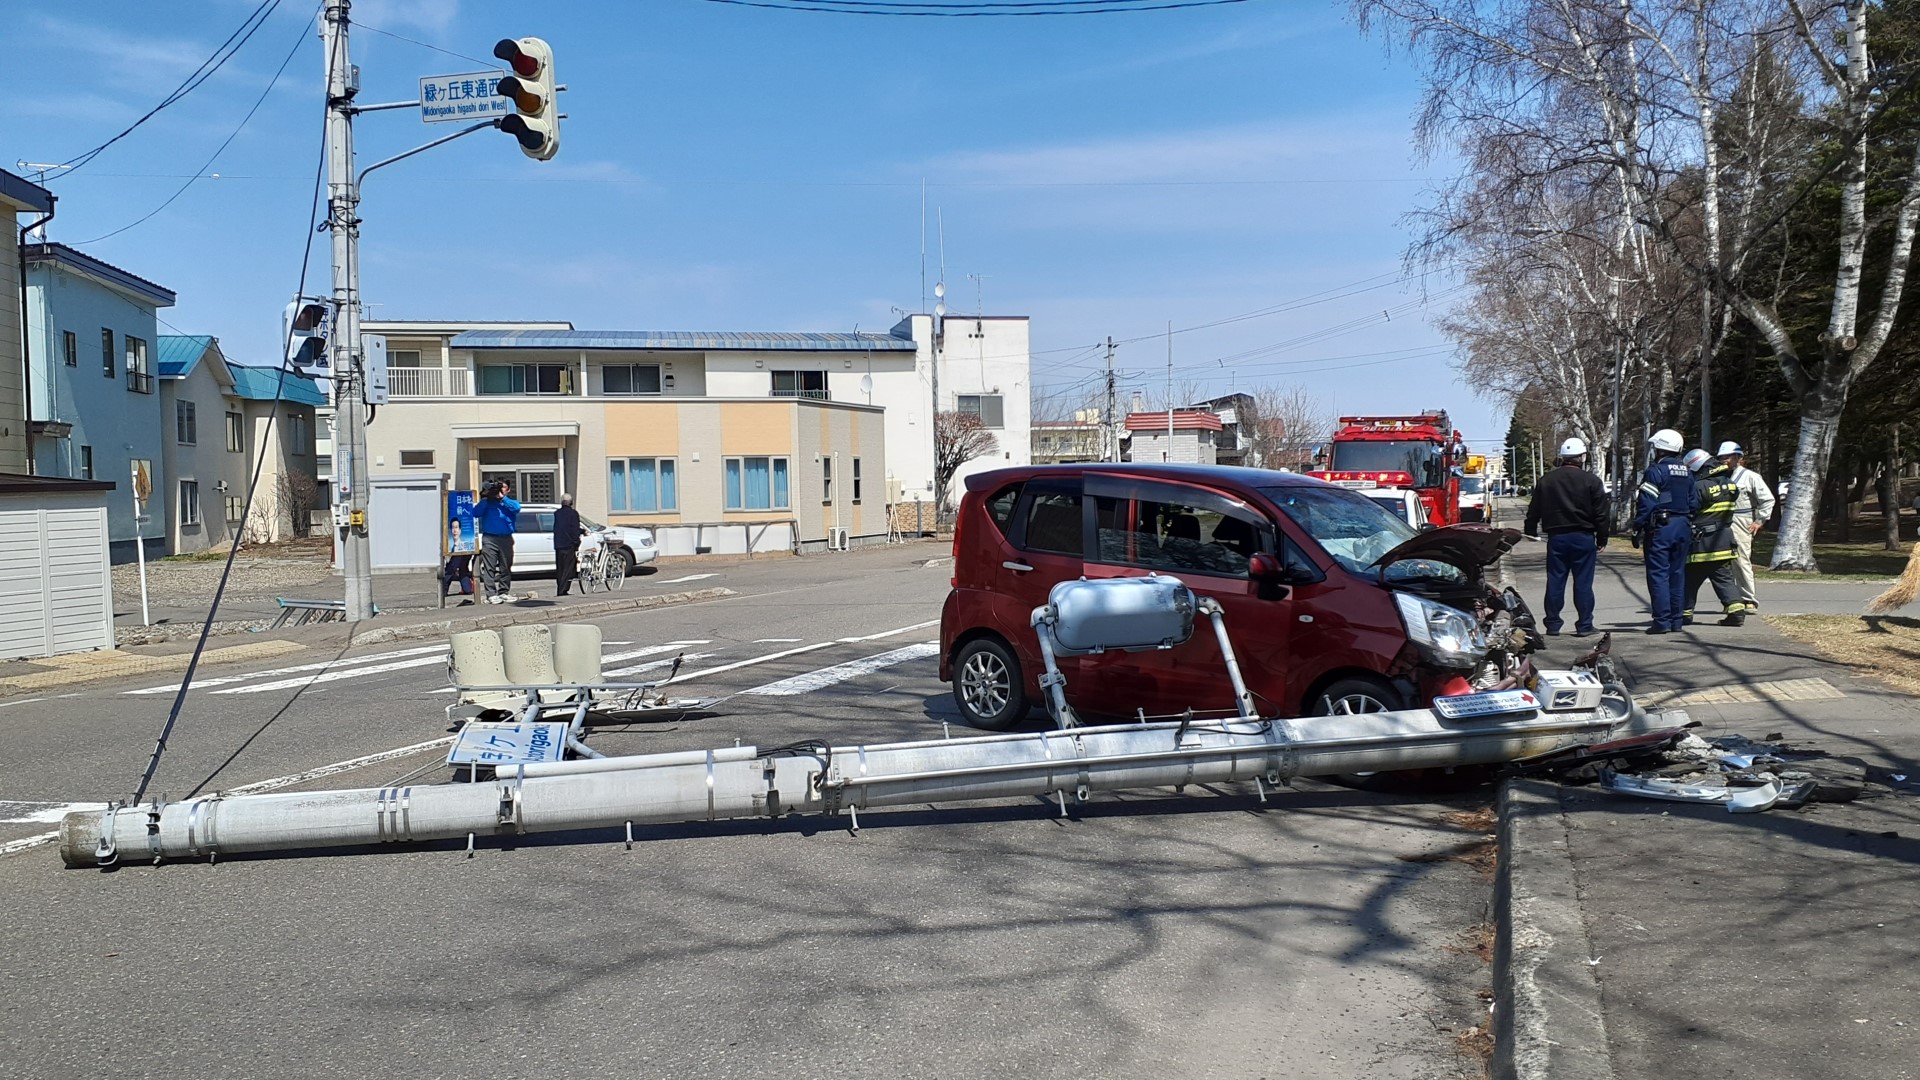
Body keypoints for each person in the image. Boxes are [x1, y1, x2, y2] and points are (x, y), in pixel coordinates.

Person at [1523, 436, 1610, 636]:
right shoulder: (1592, 481)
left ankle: (1553, 625)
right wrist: (1602, 538)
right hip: (1584, 537)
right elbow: (1602, 514)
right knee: (1583, 583)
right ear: (1581, 457)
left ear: (1563, 457)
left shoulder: (1547, 480)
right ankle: (1584, 625)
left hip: (1557, 538)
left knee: (1555, 581)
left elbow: (1533, 509)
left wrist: (1530, 530)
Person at [1631, 428, 1697, 634]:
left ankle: (1661, 621)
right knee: (1677, 574)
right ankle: (1676, 621)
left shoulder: (1655, 471)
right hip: (1683, 526)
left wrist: (1637, 527)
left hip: (1662, 527)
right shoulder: (1688, 471)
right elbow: (1694, 502)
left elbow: (1647, 503)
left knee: (1659, 575)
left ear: (1660, 449)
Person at [1681, 449, 1747, 626]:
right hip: (1724, 539)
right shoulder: (1730, 484)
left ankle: (1684, 614)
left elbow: (1689, 510)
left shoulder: (1699, 486)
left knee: (1688, 579)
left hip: (1702, 542)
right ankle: (1736, 611)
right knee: (1723, 577)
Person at [1717, 441, 1776, 612]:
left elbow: (1767, 499)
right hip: (1719, 520)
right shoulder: (1718, 476)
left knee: (1741, 559)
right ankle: (1731, 600)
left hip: (1741, 520)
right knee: (1720, 562)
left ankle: (1748, 599)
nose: (1723, 460)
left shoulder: (1750, 477)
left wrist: (1759, 520)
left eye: (1727, 457)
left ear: (1737, 457)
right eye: (1721, 457)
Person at [475, 479, 521, 604]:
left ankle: (504, 592)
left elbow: (517, 508)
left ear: (508, 490)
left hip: (506, 538)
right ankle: (491, 594)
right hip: (490, 538)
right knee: (489, 567)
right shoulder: (487, 502)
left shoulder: (509, 502)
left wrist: (502, 499)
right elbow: (475, 513)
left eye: (504, 487)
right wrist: (487, 497)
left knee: (505, 567)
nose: (501, 490)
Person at [553, 493, 585, 596]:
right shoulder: (573, 514)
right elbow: (574, 529)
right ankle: (563, 590)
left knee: (560, 568)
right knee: (568, 568)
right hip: (569, 544)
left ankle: (560, 589)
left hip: (559, 544)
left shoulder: (557, 513)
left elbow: (562, 527)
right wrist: (577, 540)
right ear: (571, 502)